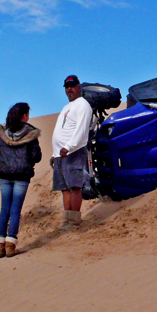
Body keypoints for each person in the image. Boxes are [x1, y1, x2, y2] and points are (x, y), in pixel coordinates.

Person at [0, 102, 42, 258]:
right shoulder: (30, 134)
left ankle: (0, 246)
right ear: (24, 116)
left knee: (4, 210)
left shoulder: (2, 133)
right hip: (22, 176)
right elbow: (36, 156)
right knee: (15, 211)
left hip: (5, 176)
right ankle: (10, 245)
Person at [51, 75, 92, 228]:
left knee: (74, 187)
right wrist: (55, 153)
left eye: (72, 86)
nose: (69, 89)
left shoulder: (83, 105)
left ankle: (74, 221)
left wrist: (68, 147)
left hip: (72, 152)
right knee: (64, 188)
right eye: (67, 87)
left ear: (79, 87)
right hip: (60, 154)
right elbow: (61, 131)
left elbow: (81, 132)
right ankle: (67, 219)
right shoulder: (66, 107)